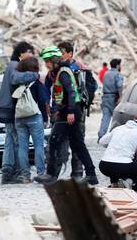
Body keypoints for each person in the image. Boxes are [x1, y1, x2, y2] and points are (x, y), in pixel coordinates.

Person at [35, 46, 98, 185]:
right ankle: (91, 174)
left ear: (54, 60)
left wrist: (69, 111)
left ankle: (51, 174)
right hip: (67, 111)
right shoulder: (59, 72)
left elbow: (71, 92)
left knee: (54, 141)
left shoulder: (63, 72)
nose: (46, 64)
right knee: (77, 145)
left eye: (47, 61)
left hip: (70, 112)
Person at [0, 42, 39, 184]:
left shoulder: (12, 65)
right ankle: (13, 172)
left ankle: (7, 172)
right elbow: (16, 78)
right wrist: (34, 74)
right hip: (10, 108)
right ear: (21, 53)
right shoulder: (14, 65)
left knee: (10, 140)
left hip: (7, 107)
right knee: (14, 142)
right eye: (29, 52)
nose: (31, 55)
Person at [56, 41, 98, 180]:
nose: (60, 56)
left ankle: (78, 171)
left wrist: (73, 109)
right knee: (72, 142)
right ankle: (85, 173)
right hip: (67, 111)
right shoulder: (61, 68)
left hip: (74, 111)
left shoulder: (79, 68)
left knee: (74, 142)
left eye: (62, 53)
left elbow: (88, 88)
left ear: (70, 53)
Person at [99, 114, 137, 195]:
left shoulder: (118, 128)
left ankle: (115, 184)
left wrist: (114, 146)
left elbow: (102, 141)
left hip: (104, 166)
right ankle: (132, 183)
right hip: (123, 167)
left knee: (117, 165)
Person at [13, 57, 48, 183]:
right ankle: (41, 173)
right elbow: (43, 101)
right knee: (38, 145)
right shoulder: (37, 83)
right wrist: (45, 117)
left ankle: (25, 176)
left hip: (19, 117)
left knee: (22, 147)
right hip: (34, 116)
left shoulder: (17, 83)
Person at [99, 58, 124, 139]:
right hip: (114, 98)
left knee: (105, 117)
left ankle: (101, 135)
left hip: (105, 97)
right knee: (116, 118)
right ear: (117, 66)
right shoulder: (118, 74)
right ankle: (114, 136)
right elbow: (119, 86)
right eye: (120, 65)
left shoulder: (106, 73)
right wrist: (120, 97)